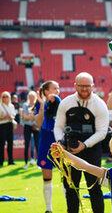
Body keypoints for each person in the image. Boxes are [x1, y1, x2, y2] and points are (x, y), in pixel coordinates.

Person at [54, 72, 108, 213]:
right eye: (81, 86)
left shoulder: (99, 104)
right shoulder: (66, 102)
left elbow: (102, 131)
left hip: (91, 151)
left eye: (87, 86)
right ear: (75, 86)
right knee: (71, 188)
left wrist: (85, 145)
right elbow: (58, 126)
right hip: (69, 151)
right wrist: (60, 142)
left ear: (93, 86)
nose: (84, 89)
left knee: (95, 188)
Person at [34, 80, 61, 213]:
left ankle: (70, 206)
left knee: (66, 177)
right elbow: (39, 123)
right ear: (46, 91)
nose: (57, 91)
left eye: (58, 88)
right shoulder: (40, 105)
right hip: (45, 143)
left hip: (60, 143)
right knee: (47, 177)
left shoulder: (61, 103)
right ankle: (48, 208)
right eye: (54, 88)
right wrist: (42, 105)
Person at [21, 91, 40, 169]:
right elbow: (25, 116)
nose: (31, 99)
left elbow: (38, 116)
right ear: (28, 97)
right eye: (30, 97)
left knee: (37, 144)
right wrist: (32, 116)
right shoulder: (25, 105)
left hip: (36, 126)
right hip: (27, 126)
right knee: (27, 144)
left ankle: (39, 163)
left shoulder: (37, 105)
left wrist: (30, 116)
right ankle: (26, 163)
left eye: (33, 97)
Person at [0, 91, 16, 166]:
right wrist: (4, 117)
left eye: (6, 96)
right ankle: (1, 161)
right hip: (2, 125)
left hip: (10, 124)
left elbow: (13, 116)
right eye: (3, 96)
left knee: (10, 143)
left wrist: (10, 117)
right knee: (1, 144)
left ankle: (11, 160)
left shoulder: (11, 106)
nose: (5, 98)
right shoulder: (0, 106)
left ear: (9, 98)